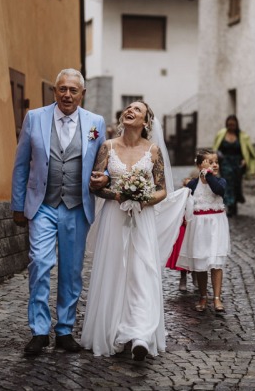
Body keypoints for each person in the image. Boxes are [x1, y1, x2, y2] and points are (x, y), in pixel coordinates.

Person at [82, 101, 190, 361]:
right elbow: (95, 185)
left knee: (141, 272)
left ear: (146, 122)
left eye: (137, 110)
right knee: (115, 272)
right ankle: (114, 331)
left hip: (142, 219)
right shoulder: (107, 146)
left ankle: (140, 334)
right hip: (113, 218)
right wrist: (118, 195)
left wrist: (142, 199)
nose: (130, 111)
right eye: (128, 107)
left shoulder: (153, 151)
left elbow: (163, 189)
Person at [10, 68, 107, 356]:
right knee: (39, 262)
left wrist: (106, 180)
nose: (67, 94)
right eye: (62, 89)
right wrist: (18, 206)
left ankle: (64, 329)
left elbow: (104, 165)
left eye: (73, 90)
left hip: (77, 207)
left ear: (82, 94)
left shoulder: (96, 123)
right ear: (54, 91)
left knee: (72, 271)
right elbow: (21, 165)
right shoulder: (34, 118)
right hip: (43, 205)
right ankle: (39, 331)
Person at [177, 149, 230, 313]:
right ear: (200, 165)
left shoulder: (220, 181)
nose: (215, 164)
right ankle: (202, 296)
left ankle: (217, 298)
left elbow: (217, 190)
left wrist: (208, 174)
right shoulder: (194, 184)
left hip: (216, 225)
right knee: (200, 262)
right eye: (210, 162)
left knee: (216, 262)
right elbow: (185, 197)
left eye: (216, 162)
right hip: (199, 227)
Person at [213, 115, 255, 217]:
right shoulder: (221, 134)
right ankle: (230, 205)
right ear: (227, 124)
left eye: (233, 124)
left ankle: (235, 204)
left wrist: (245, 160)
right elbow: (216, 148)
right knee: (227, 184)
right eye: (229, 124)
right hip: (225, 162)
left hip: (237, 163)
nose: (231, 126)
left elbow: (246, 150)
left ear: (236, 124)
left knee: (236, 184)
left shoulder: (242, 136)